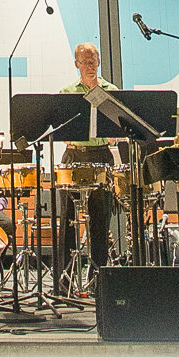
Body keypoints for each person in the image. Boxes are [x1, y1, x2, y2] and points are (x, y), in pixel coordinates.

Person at [58, 42, 118, 273]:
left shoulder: (111, 90)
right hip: (75, 154)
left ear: (99, 62)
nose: (90, 66)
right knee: (68, 217)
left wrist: (96, 90)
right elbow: (64, 132)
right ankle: (65, 275)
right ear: (77, 65)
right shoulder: (67, 92)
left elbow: (115, 130)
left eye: (93, 61)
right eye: (85, 62)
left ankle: (99, 274)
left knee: (100, 217)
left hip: (101, 154)